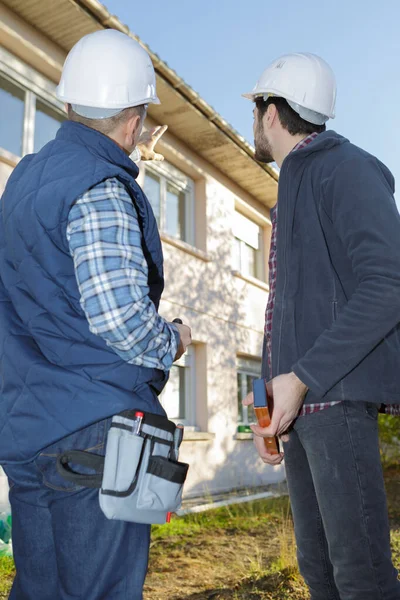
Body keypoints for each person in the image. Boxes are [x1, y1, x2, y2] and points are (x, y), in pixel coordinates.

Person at [0, 29, 191, 600]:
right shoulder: (101, 186)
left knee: (40, 589)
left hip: (27, 430)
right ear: (133, 120)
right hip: (98, 434)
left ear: (67, 104)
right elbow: (122, 322)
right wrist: (175, 339)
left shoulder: (23, 183)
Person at [242, 52, 400, 599]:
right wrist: (269, 407)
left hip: (335, 401)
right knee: (320, 572)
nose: (254, 120)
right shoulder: (294, 182)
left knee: (362, 577)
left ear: (270, 111)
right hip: (302, 408)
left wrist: (303, 376)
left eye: (255, 108)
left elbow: (390, 285)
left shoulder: (345, 168)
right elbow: (287, 309)